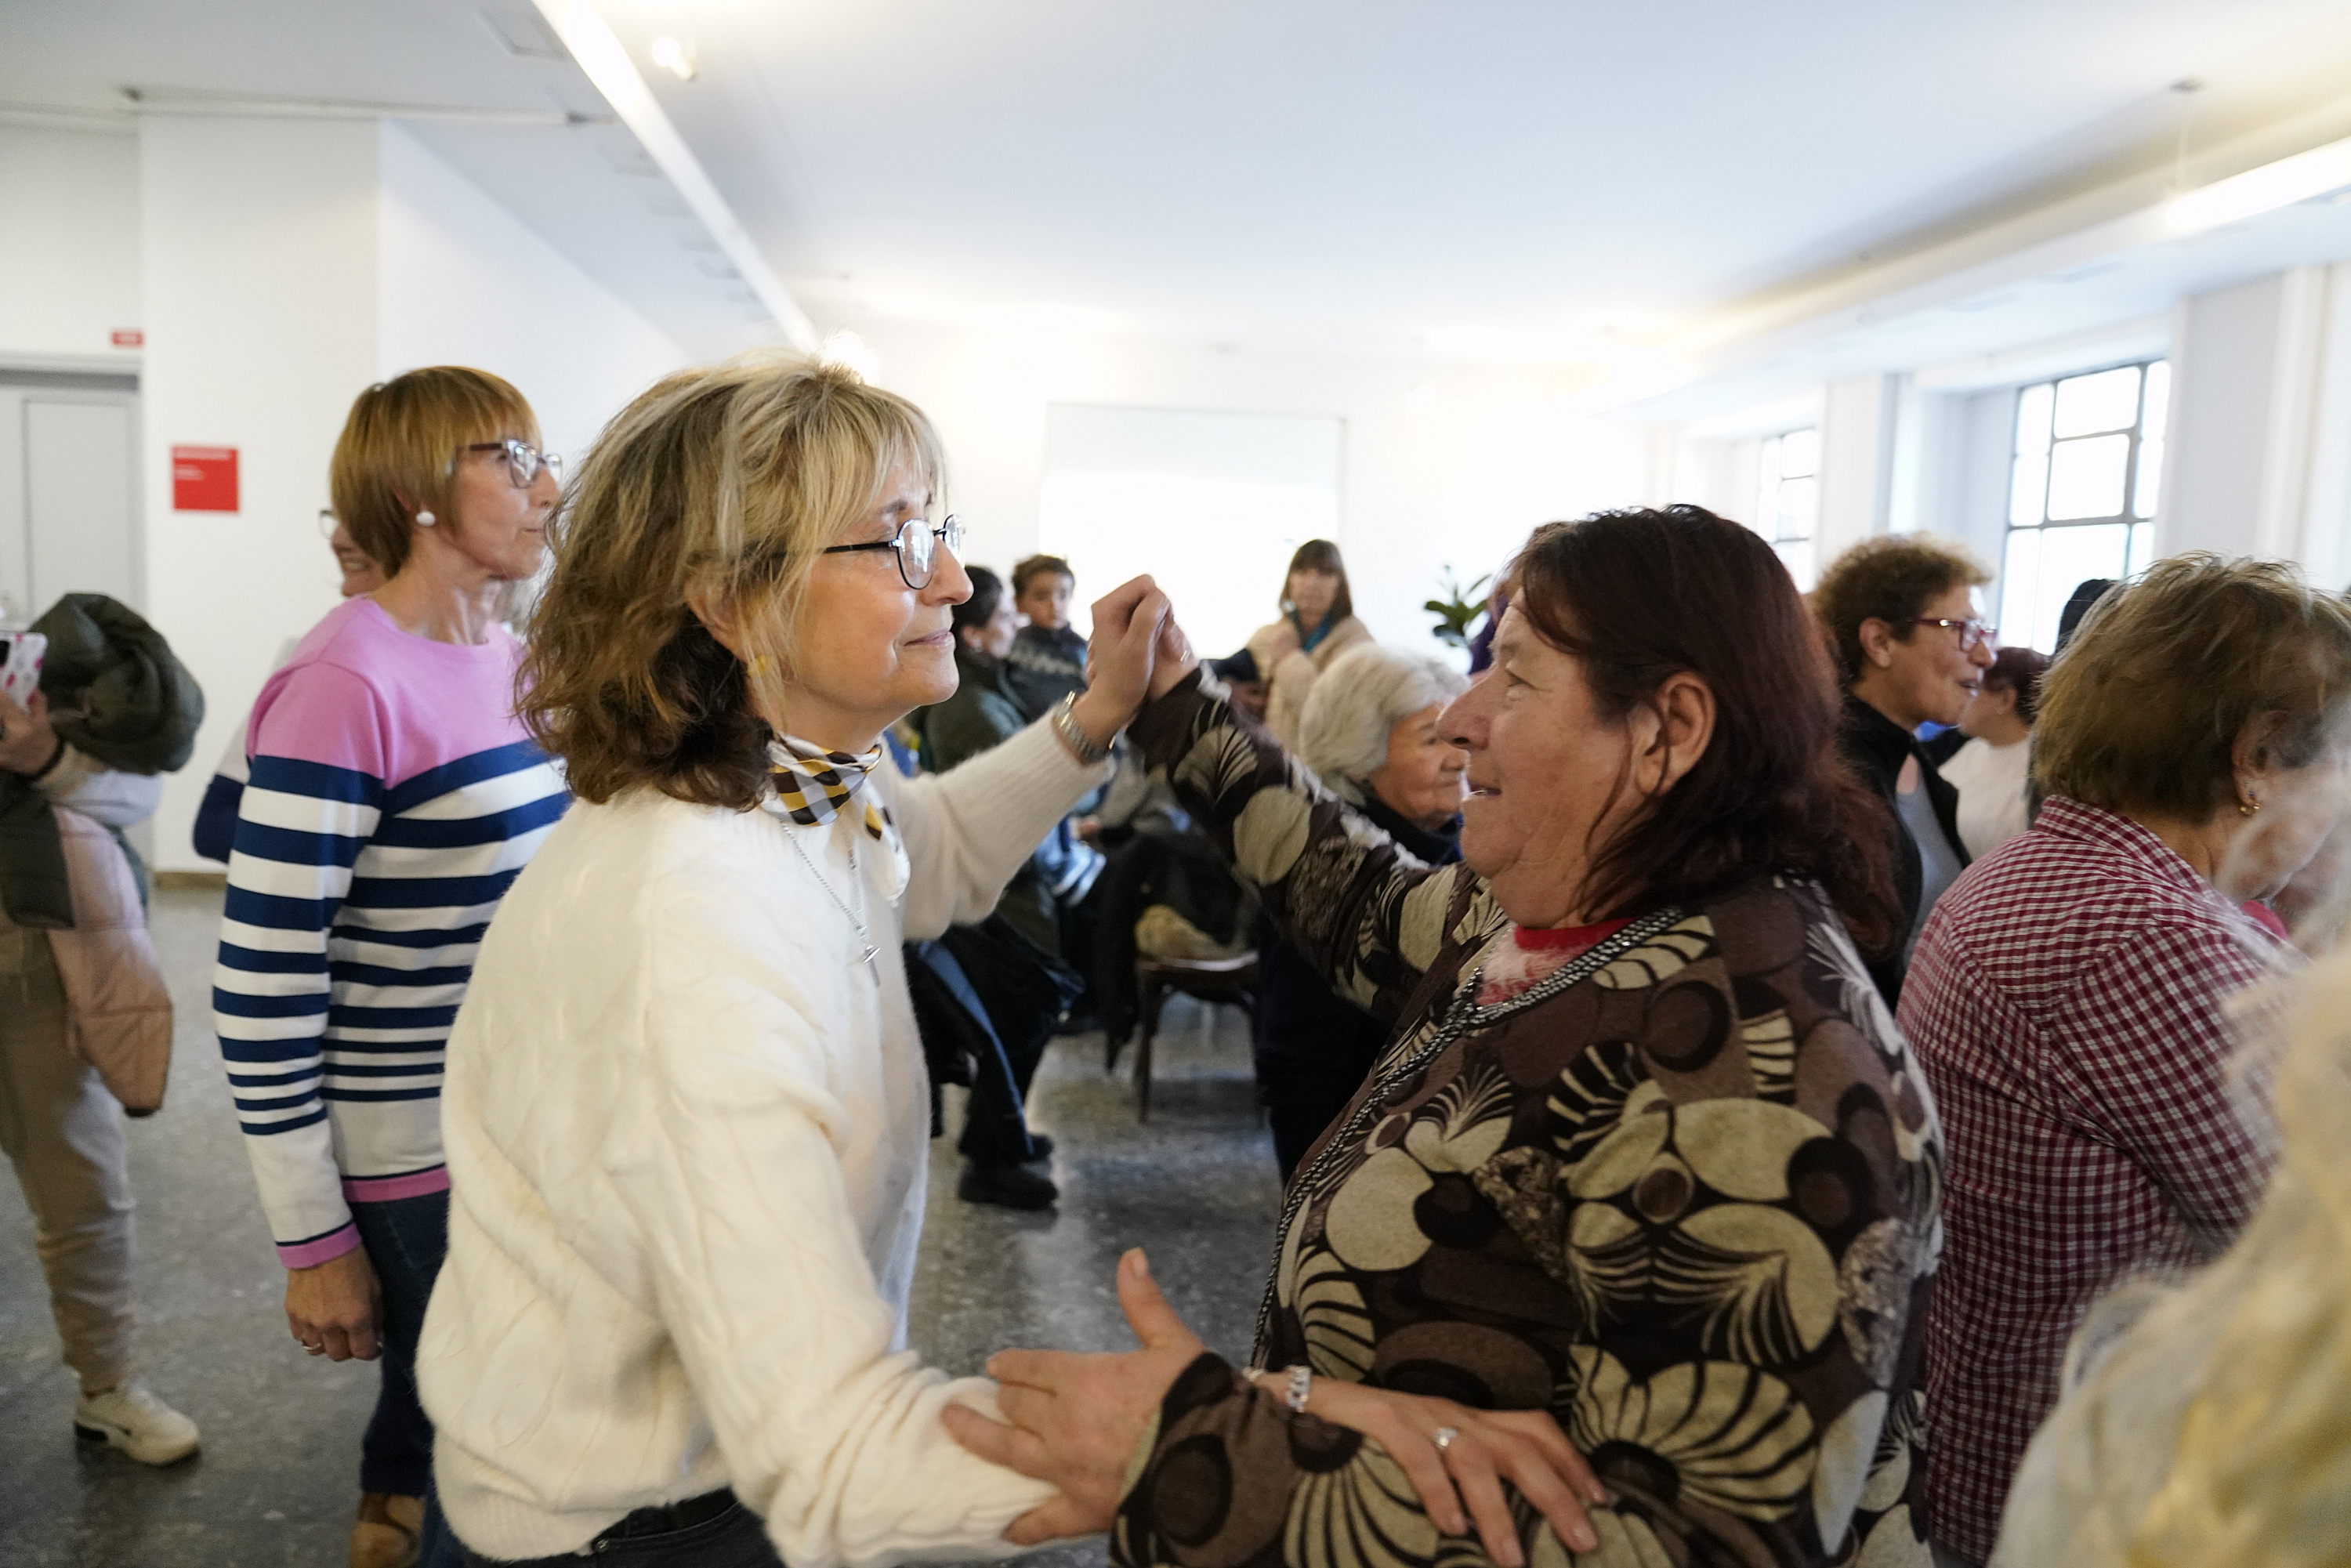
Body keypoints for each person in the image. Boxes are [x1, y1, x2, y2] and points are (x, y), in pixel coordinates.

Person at [949, 505, 1941, 1568]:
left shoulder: (1754, 1071)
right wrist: (1178, 707)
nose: (1461, 718)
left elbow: (1690, 1545)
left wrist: (1195, 1455)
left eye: (1513, 677)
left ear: (1669, 729)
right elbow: (1360, 896)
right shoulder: (1586, 912)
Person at [412, 356, 1191, 1567]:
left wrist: (1093, 718)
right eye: (894, 542)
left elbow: (921, 860)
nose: (950, 575)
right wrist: (1224, 1463)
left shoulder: (792, 775)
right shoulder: (695, 920)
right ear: (729, 602)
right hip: (635, 1526)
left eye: (937, 529)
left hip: (699, 1481)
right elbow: (837, 1455)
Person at [1896, 554, 2351, 1568]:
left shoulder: (2063, 864)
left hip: (2021, 1458)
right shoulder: (2145, 935)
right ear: (2257, 759)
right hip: (2103, 1499)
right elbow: (2326, 1253)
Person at [211, 367, 570, 1568]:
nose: (548, 487)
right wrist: (313, 1242)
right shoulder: (343, 682)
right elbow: (262, 984)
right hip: (414, 1149)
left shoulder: (512, 659)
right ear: (419, 490)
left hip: (515, 1129)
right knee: (502, 1461)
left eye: (540, 455)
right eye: (510, 459)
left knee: (513, 1443)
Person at [1991, 923, 2351, 1567]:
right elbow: (2251, 1205)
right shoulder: (2153, 941)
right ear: (2249, 810)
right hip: (2040, 1429)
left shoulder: (2043, 894)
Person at [1, 598, 203, 1468]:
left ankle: (108, 1389)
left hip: (33, 963)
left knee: (82, 1194)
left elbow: (138, 793)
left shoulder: (39, 657)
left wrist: (39, 754)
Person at [916, 564, 1100, 1210]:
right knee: (1018, 1022)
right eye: (1002, 617)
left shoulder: (989, 687)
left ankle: (1000, 1137)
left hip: (1024, 889)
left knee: (1022, 1022)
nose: (1015, 625)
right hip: (1008, 897)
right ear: (970, 635)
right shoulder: (968, 706)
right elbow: (1002, 808)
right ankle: (993, 1160)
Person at [1255, 643, 1466, 1182]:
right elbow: (1301, 1066)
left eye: (1459, 733)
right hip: (1362, 1161)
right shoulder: (1328, 873)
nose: (1459, 755)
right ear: (1361, 756)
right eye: (1431, 738)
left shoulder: (1466, 847)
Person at [1813, 534, 1994, 1001]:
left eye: (1983, 632)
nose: (1985, 656)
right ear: (1880, 641)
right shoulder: (1829, 774)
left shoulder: (1916, 762)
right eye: (1962, 630)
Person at [193, 512, 388, 862]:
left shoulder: (501, 661)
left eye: (362, 508)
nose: (339, 539)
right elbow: (214, 824)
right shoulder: (314, 663)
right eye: (337, 513)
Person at [1245, 538, 1373, 746]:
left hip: (1326, 771)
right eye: (1302, 572)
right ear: (1290, 581)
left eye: (1325, 573)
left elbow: (1330, 716)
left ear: (1339, 585)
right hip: (1269, 767)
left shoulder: (1358, 644)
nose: (1312, 582)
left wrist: (1287, 658)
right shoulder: (1266, 637)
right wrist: (1230, 688)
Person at [1938, 646, 2049, 860]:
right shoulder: (1972, 749)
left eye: (1973, 687)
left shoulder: (2041, 769)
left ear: (2006, 699)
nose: (1964, 696)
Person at [1005, 552, 1089, 720]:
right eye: (1041, 597)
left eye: (1063, 596)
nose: (1055, 605)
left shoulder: (1082, 651)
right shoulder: (1010, 644)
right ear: (1019, 603)